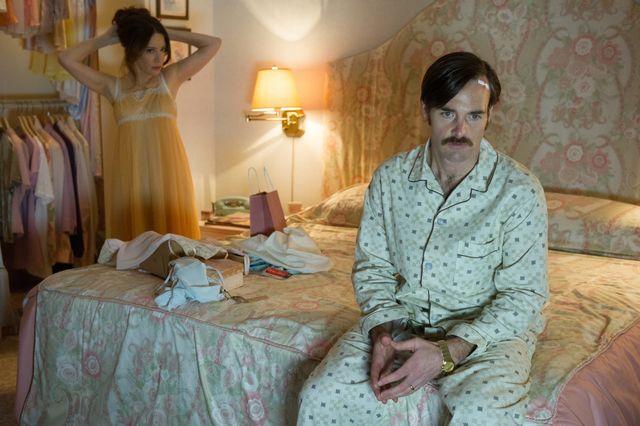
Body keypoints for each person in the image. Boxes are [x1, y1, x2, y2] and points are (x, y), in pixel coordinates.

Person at [298, 52, 549, 425]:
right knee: (320, 395)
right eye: (448, 113)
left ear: (489, 116)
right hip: (403, 321)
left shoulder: (519, 190)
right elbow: (373, 268)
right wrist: (383, 334)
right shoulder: (390, 179)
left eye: (474, 116)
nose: (460, 130)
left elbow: (525, 294)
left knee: (482, 413)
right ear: (425, 111)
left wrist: (448, 352)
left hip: (487, 336)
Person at [58, 7, 221, 241]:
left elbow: (213, 44)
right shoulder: (113, 87)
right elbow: (65, 58)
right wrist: (107, 38)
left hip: (169, 181)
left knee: (175, 249)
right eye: (150, 50)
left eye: (162, 50)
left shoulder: (170, 78)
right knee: (135, 250)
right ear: (134, 51)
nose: (159, 58)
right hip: (131, 183)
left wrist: (165, 31)